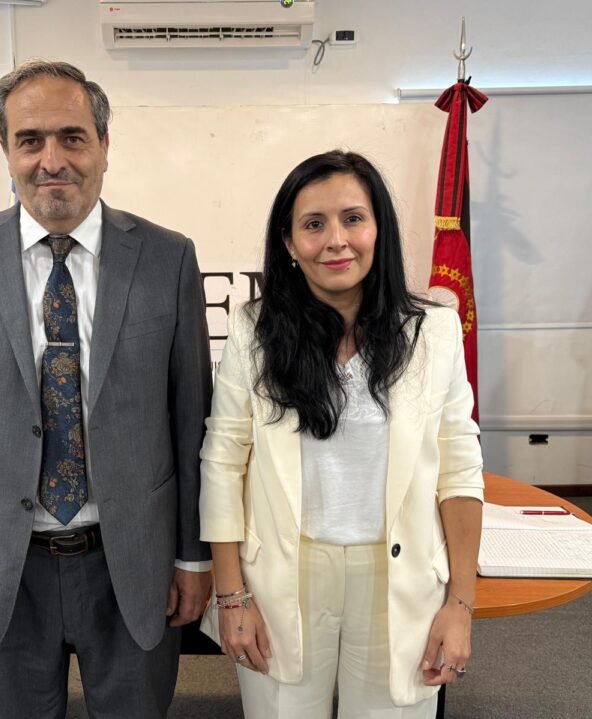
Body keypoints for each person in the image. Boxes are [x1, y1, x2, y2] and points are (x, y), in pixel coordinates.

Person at [0, 59, 213, 719]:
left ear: (104, 145)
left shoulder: (168, 258)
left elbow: (192, 423)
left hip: (131, 560)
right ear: (6, 150)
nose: (52, 160)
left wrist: (193, 556)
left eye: (73, 137)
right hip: (2, 564)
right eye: (30, 140)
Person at [199, 150, 483, 718]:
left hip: (399, 576)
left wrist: (461, 604)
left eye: (353, 218)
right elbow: (223, 463)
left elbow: (459, 471)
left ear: (379, 228)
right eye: (313, 224)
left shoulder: (435, 333)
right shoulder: (254, 331)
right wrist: (231, 596)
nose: (336, 240)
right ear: (288, 242)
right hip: (284, 576)